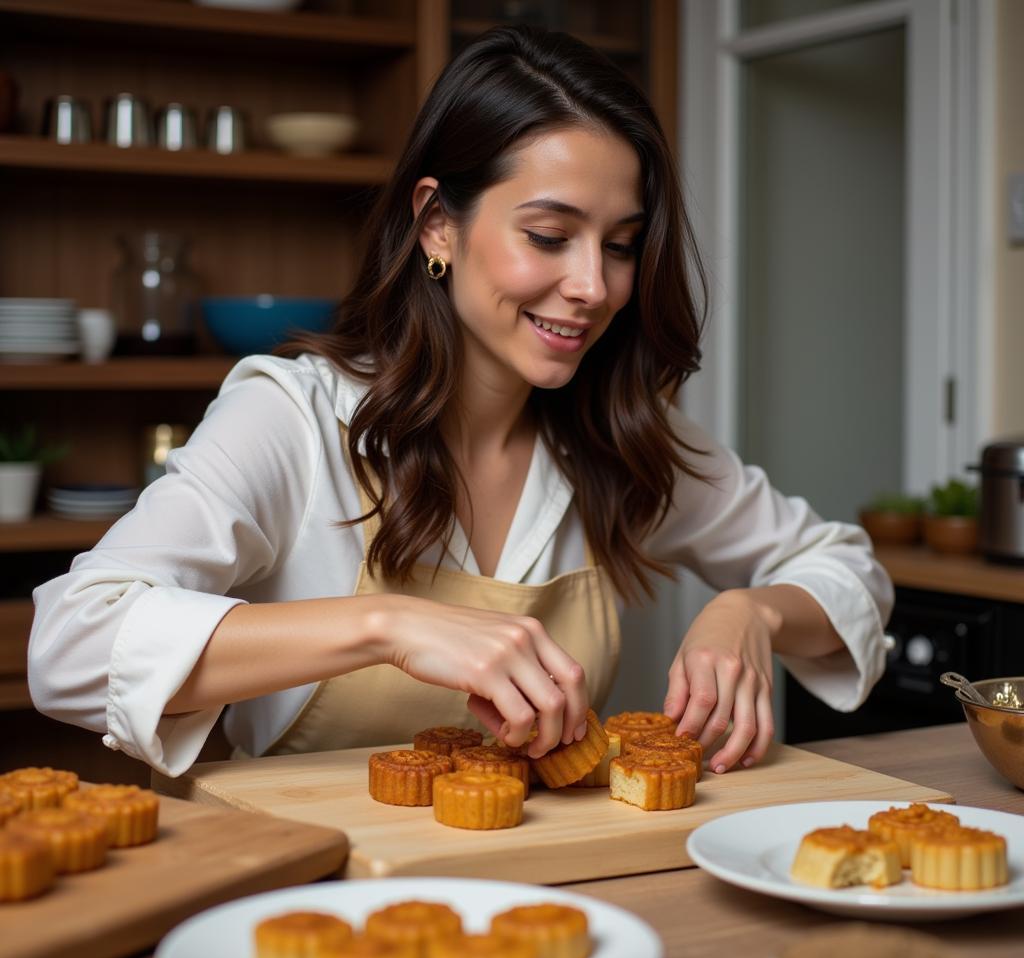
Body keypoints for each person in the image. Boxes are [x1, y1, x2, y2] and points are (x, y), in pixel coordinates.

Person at [28, 26, 892, 779]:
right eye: (549, 237)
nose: (593, 286)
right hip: (311, 908)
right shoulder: (296, 419)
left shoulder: (620, 437)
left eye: (621, 246)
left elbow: (849, 571)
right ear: (439, 223)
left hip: (537, 905)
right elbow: (69, 644)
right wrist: (384, 625)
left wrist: (752, 610)